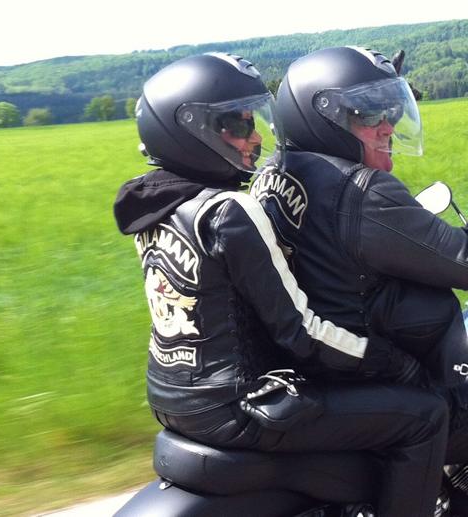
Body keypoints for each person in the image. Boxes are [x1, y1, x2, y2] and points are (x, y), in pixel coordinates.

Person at [114, 52, 449, 517]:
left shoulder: (156, 207)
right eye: (236, 124)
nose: (255, 137)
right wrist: (396, 364)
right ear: (189, 130)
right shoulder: (228, 211)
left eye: (253, 121)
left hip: (175, 402)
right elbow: (301, 332)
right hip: (240, 406)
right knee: (425, 415)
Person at [250, 45, 468, 511]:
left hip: (318, 366)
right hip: (383, 370)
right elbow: (460, 260)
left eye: (390, 111)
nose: (387, 126)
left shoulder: (275, 173)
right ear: (322, 120)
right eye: (368, 115)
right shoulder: (362, 193)